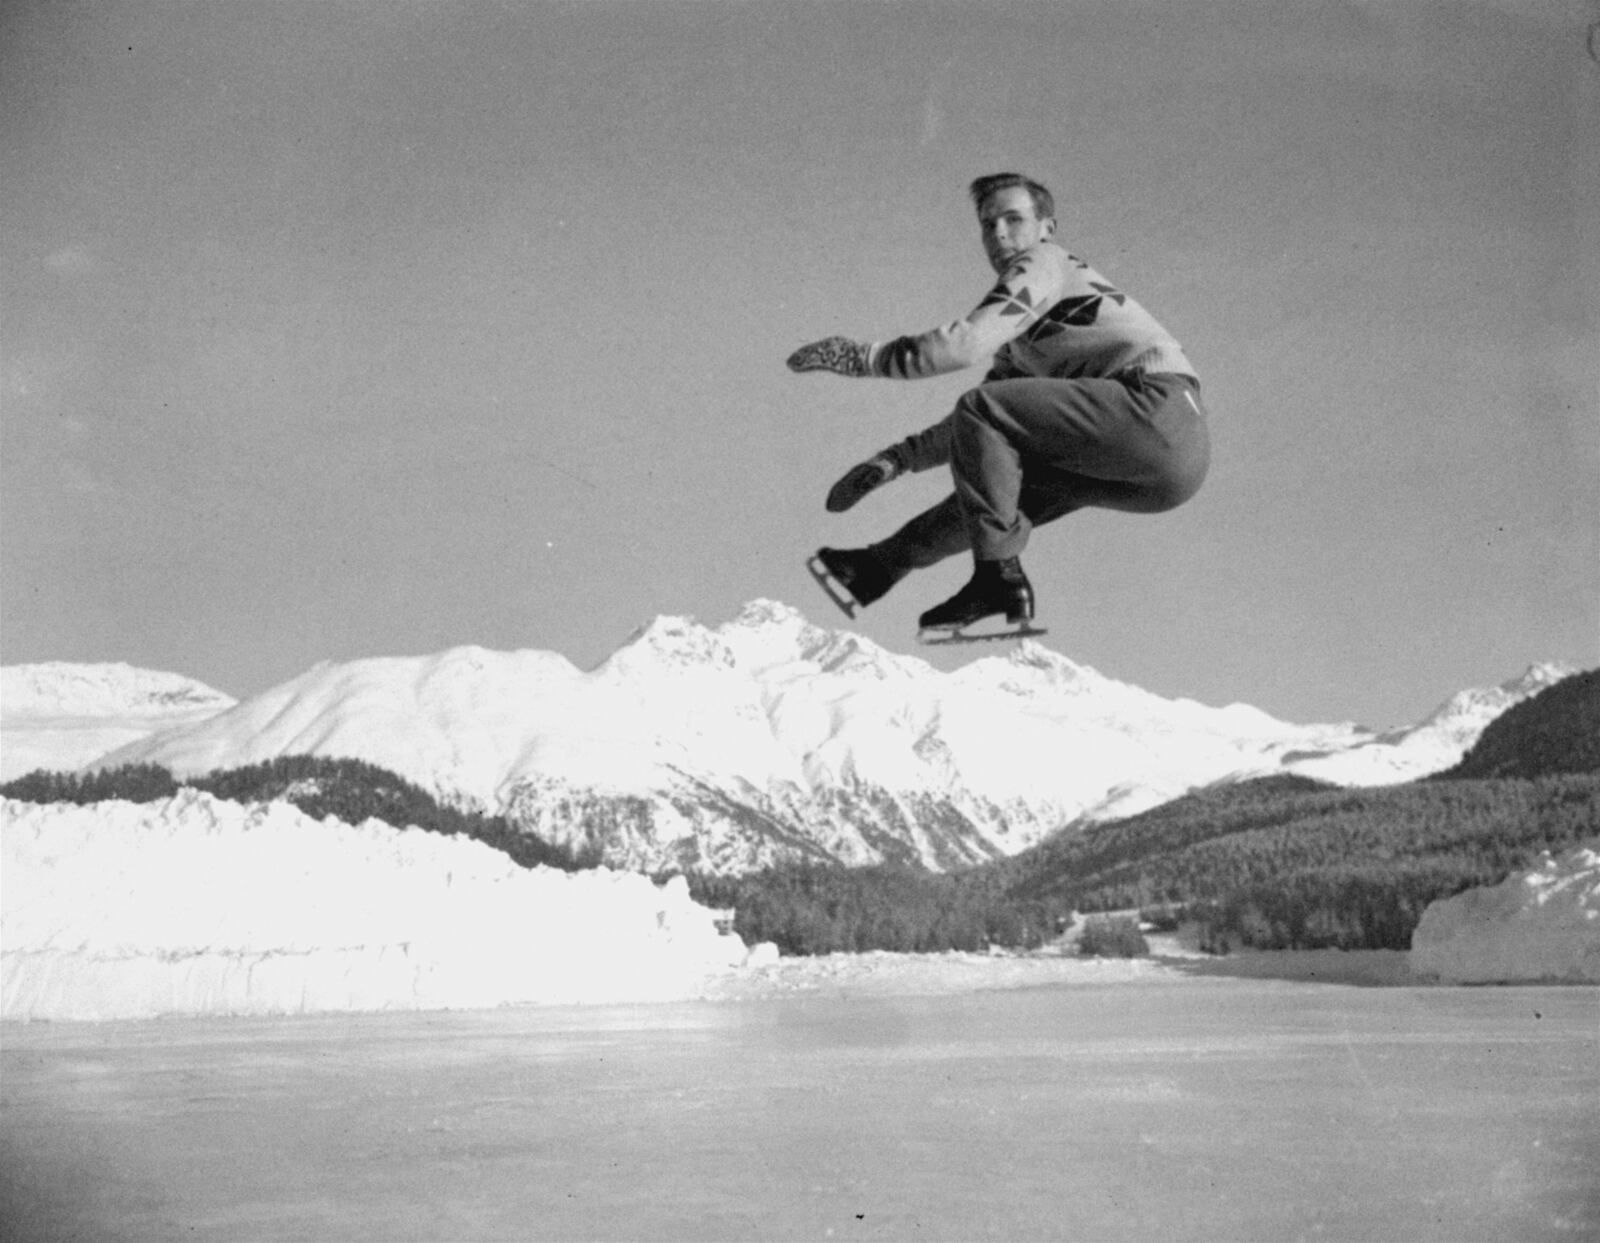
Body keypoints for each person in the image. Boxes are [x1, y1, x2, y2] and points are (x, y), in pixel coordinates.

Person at [788, 172, 1210, 638]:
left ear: (1047, 226)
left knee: (985, 411)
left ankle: (996, 580)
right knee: (998, 484)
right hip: (1163, 476)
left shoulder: (1046, 261)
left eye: (1013, 219)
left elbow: (965, 347)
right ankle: (878, 566)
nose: (1000, 236)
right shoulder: (1022, 346)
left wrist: (862, 358)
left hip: (1152, 405)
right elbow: (975, 433)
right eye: (988, 225)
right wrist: (896, 460)